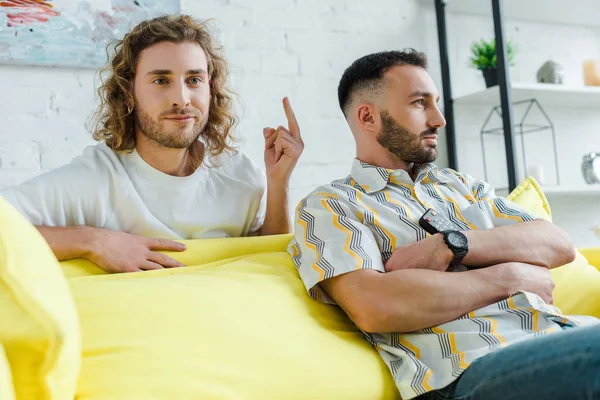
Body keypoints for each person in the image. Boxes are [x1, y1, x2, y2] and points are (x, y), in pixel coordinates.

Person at [289, 49, 600, 400]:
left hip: (563, 335)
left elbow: (557, 243)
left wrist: (450, 244)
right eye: (420, 103)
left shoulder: (462, 186)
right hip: (472, 369)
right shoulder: (331, 204)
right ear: (368, 117)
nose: (439, 119)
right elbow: (374, 305)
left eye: (435, 102)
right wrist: (510, 275)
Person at [0, 15, 303, 273]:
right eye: (161, 81)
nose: (181, 99)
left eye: (194, 80)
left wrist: (279, 183)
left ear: (210, 88)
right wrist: (93, 240)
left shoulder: (239, 175)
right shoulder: (96, 180)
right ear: (129, 91)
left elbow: (267, 262)